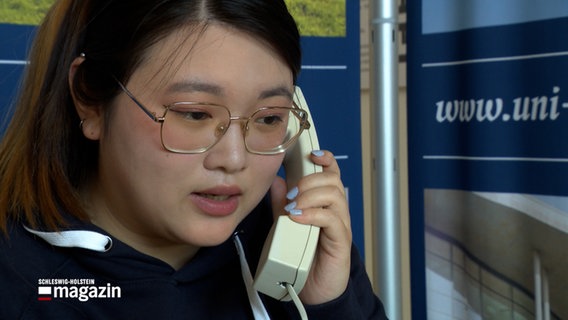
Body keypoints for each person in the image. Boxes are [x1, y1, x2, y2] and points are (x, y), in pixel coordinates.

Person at [0, 0, 387, 319]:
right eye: (195, 115)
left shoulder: (294, 251)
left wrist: (330, 306)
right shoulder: (18, 281)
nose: (234, 159)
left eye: (270, 118)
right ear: (91, 100)